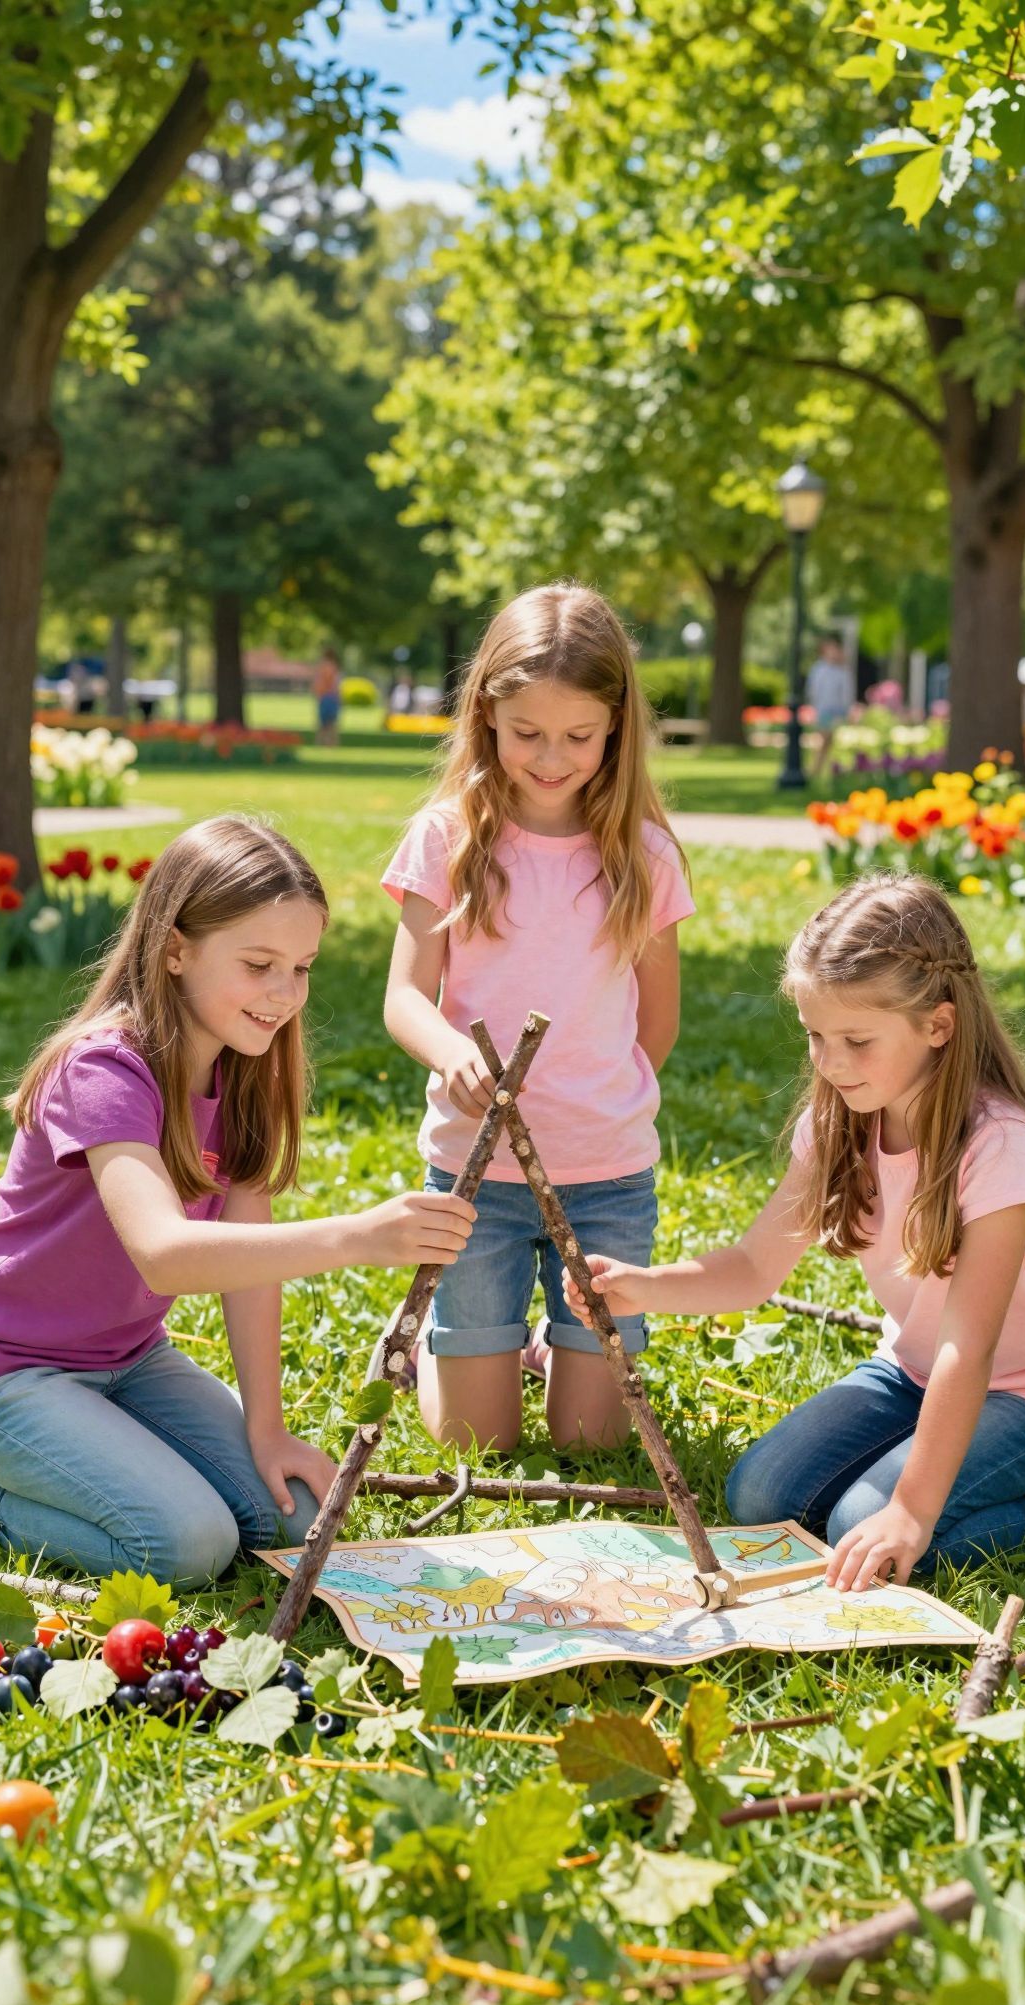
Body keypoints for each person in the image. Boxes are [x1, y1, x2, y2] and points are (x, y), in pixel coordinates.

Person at [0, 816, 473, 1585]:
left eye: (302, 967)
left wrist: (269, 1428)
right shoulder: (104, 1071)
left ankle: (100, 1443)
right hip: (4, 1373)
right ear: (176, 949)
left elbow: (248, 1272)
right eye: (258, 965)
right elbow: (164, 1253)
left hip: (129, 1361)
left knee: (291, 1517)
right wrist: (358, 1237)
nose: (285, 994)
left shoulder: (243, 1073)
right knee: (187, 1547)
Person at [565, 872, 1025, 1591]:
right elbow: (752, 1268)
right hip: (914, 1372)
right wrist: (640, 1289)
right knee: (759, 1498)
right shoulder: (840, 1124)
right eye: (815, 1035)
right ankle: (918, 1473)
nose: (830, 1062)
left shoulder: (999, 1145)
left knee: (874, 1536)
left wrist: (909, 1509)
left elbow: (973, 1347)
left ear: (938, 1025)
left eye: (857, 1039)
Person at [379, 581, 695, 1455]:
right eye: (527, 734)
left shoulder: (645, 856)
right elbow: (404, 997)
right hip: (473, 1176)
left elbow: (655, 1028)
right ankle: (463, 1343)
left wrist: (593, 1111)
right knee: (474, 1443)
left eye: (578, 737)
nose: (551, 757)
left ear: (616, 728)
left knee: (590, 1441)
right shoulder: (447, 838)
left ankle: (549, 1348)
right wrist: (450, 1054)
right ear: (486, 716)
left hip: (606, 1179)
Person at [804, 633, 853, 772]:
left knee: (831, 742)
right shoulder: (819, 669)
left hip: (838, 710)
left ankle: (822, 768)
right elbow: (813, 690)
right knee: (824, 739)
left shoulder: (842, 670)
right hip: (824, 709)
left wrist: (847, 709)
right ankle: (815, 768)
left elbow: (846, 692)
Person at [312, 645, 342, 747]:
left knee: (324, 723)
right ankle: (330, 743)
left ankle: (322, 743)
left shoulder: (323, 667)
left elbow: (321, 683)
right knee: (331, 723)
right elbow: (335, 684)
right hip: (331, 696)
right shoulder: (333, 667)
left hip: (325, 696)